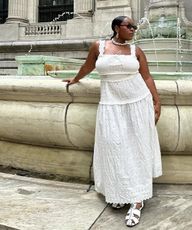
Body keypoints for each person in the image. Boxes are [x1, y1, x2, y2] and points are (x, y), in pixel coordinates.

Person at [64, 15, 162, 227]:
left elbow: (147, 77)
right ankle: (119, 191)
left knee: (137, 149)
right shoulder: (98, 46)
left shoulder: (136, 51)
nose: (134, 29)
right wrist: (75, 79)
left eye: (135, 27)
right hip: (111, 104)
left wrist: (156, 101)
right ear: (117, 27)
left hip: (138, 102)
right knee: (114, 146)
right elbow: (87, 67)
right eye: (130, 26)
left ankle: (137, 201)